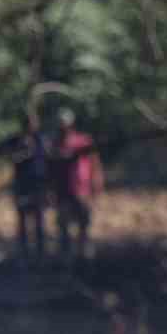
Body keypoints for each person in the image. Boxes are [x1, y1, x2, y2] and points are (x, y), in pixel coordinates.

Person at [52, 107, 105, 264]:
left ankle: (84, 257)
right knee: (63, 226)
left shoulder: (83, 141)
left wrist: (97, 184)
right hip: (62, 191)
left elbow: (95, 164)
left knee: (83, 224)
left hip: (81, 190)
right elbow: (51, 169)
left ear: (71, 125)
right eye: (60, 125)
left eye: (65, 125)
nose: (63, 128)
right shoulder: (55, 144)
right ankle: (65, 259)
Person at [4, 110, 50, 263]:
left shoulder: (42, 140)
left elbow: (48, 161)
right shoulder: (16, 140)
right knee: (22, 221)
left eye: (34, 122)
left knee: (39, 222)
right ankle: (24, 257)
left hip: (39, 186)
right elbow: (10, 156)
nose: (32, 125)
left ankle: (41, 256)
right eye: (29, 122)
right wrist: (23, 152)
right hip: (22, 187)